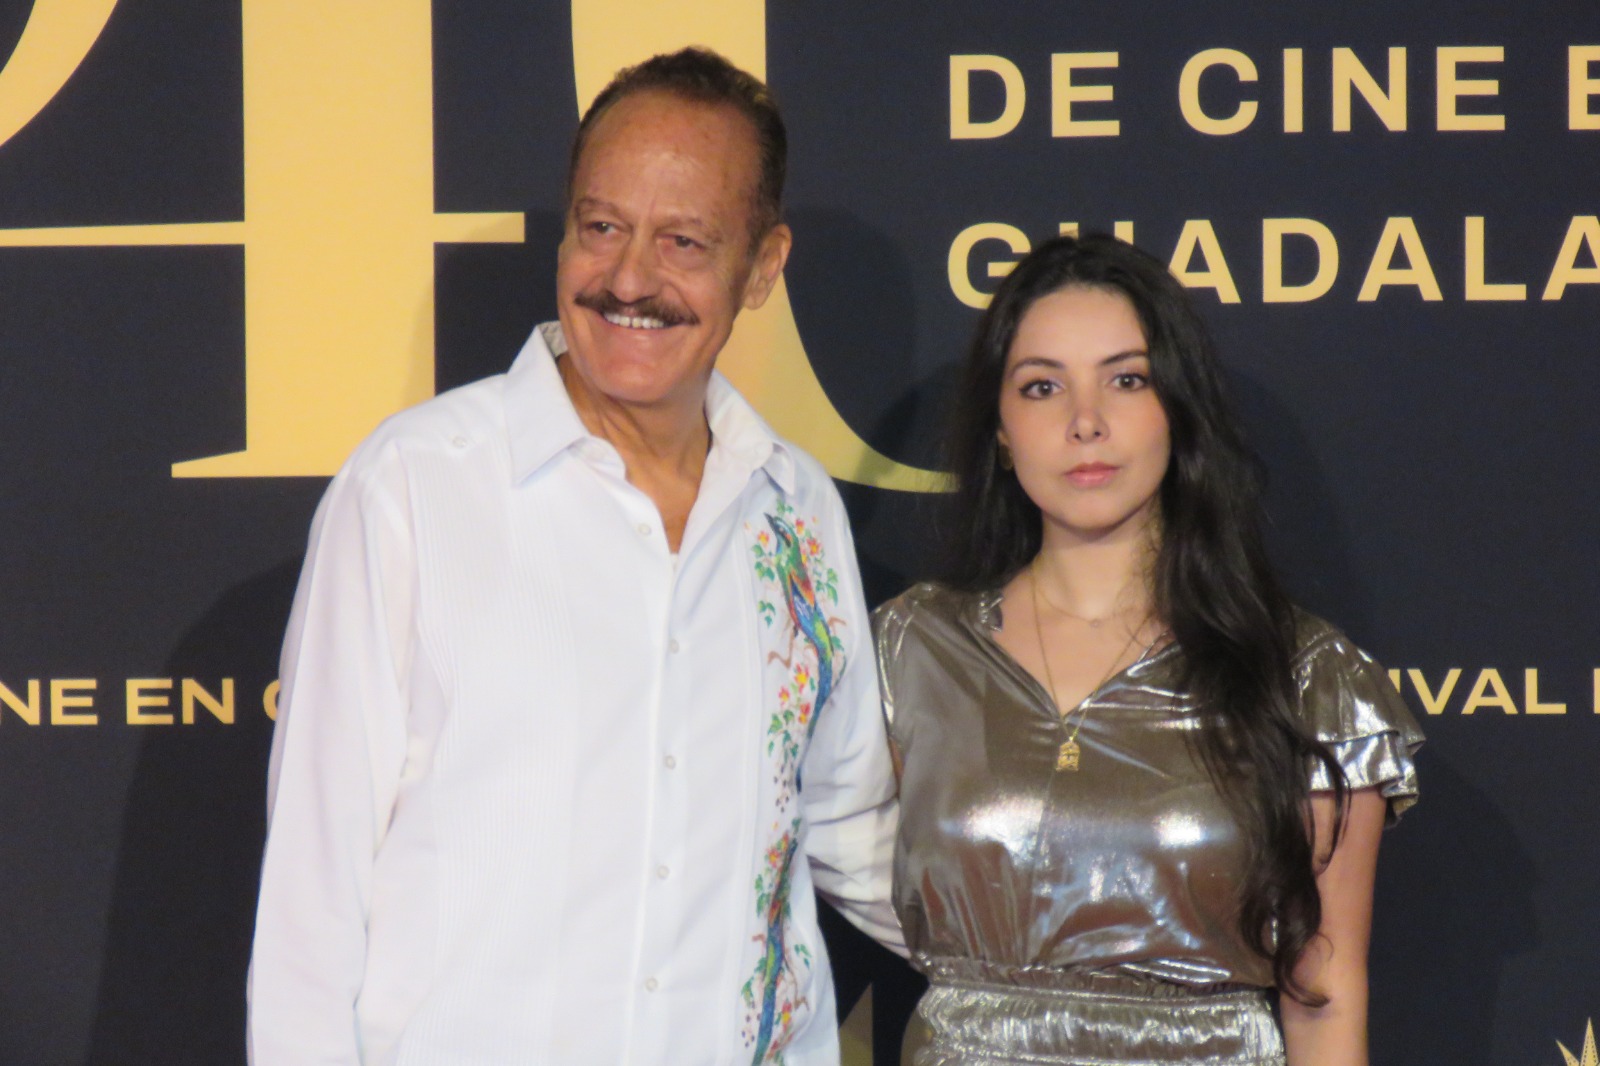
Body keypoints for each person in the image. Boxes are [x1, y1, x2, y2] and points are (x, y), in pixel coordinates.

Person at [247, 48, 899, 1066]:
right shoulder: (414, 490)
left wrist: (1114, 945)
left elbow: (856, 830)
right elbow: (311, 901)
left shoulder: (796, 514)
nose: (629, 278)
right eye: (602, 227)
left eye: (683, 241)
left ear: (762, 267)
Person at [873, 234, 1422, 1066]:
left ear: (1179, 408)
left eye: (1126, 380)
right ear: (1002, 429)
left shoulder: (1306, 677)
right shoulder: (912, 650)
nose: (1084, 421)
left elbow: (1325, 999)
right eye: (1042, 386)